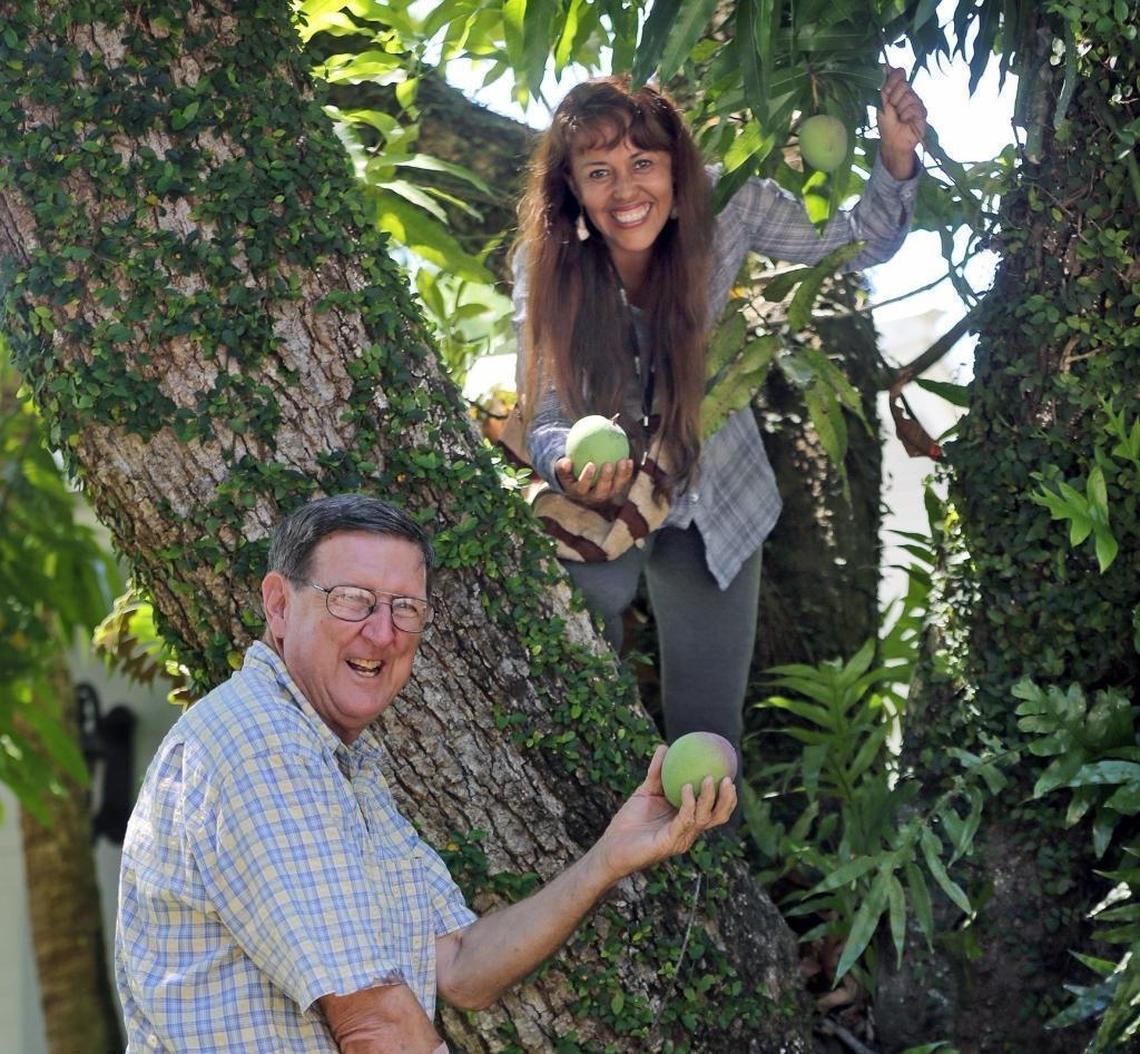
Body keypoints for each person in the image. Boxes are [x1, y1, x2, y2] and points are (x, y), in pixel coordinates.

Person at [114, 494, 735, 1053]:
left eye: (405, 608)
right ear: (279, 605)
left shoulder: (344, 767)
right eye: (352, 599)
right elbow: (374, 1026)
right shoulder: (259, 742)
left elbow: (460, 966)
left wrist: (611, 856)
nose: (382, 633)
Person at [511, 71, 927, 782]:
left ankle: (703, 875)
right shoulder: (547, 263)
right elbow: (546, 413)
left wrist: (894, 158)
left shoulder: (732, 210)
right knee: (572, 665)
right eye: (599, 173)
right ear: (573, 190)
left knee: (708, 740)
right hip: (603, 503)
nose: (625, 190)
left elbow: (860, 241)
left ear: (676, 167)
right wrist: (566, 465)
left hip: (713, 500)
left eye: (643, 163)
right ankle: (597, 836)